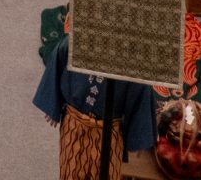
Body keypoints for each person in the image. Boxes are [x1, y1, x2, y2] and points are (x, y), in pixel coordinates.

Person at [34, 34, 158, 180]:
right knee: (71, 171)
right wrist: (53, 102)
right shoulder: (77, 40)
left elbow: (140, 92)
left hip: (111, 131)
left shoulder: (134, 58)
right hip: (75, 124)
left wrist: (138, 135)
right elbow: (60, 56)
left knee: (108, 174)